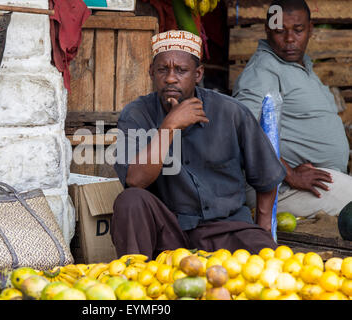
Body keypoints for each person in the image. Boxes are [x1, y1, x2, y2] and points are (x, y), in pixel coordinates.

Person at [111, 30, 286, 260]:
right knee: (130, 200)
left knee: (272, 265)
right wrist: (169, 126)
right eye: (163, 70)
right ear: (151, 72)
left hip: (228, 229)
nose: (171, 78)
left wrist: (262, 231)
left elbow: (267, 177)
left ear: (198, 74)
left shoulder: (230, 112)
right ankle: (135, 281)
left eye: (181, 70)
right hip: (170, 233)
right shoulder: (136, 114)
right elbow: (135, 180)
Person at [233, 0, 352, 218]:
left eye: (298, 30)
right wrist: (289, 174)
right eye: (280, 31)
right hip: (283, 190)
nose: (289, 40)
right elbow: (243, 129)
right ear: (267, 30)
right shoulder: (263, 70)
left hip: (313, 182)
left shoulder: (300, 65)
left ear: (310, 29)